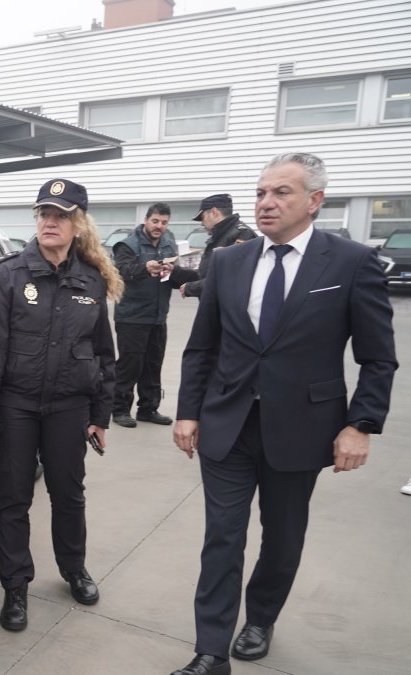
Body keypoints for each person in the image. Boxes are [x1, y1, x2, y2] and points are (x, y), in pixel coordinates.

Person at [169, 152, 396, 675]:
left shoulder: (349, 263)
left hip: (302, 428)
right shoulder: (228, 261)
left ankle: (262, 617)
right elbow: (202, 347)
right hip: (227, 424)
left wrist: (359, 424)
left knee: (283, 535)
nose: (266, 203)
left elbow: (378, 356)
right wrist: (187, 411)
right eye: (261, 193)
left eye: (281, 193)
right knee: (222, 536)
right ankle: (210, 650)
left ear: (315, 201)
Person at [0, 178, 121, 633]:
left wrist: (99, 415)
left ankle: (74, 568)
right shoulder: (6, 275)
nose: (50, 222)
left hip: (69, 408)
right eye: (43, 214)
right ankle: (15, 587)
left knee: (69, 496)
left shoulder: (90, 280)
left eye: (61, 215)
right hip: (15, 406)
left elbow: (103, 354)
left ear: (78, 224)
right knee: (13, 499)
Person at [110, 203, 199, 428]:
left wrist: (182, 277)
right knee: (130, 365)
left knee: (153, 365)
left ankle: (148, 409)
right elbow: (121, 271)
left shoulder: (169, 245)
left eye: (164, 222)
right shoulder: (128, 245)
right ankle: (119, 409)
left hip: (158, 317)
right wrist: (144, 268)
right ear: (146, 220)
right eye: (156, 221)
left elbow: (171, 279)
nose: (159, 226)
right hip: (132, 317)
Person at [180, 194, 257, 299]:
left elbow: (230, 278)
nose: (202, 223)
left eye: (202, 218)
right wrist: (174, 272)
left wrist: (191, 288)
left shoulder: (242, 235)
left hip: (228, 310)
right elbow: (204, 274)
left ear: (214, 213)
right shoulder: (219, 237)